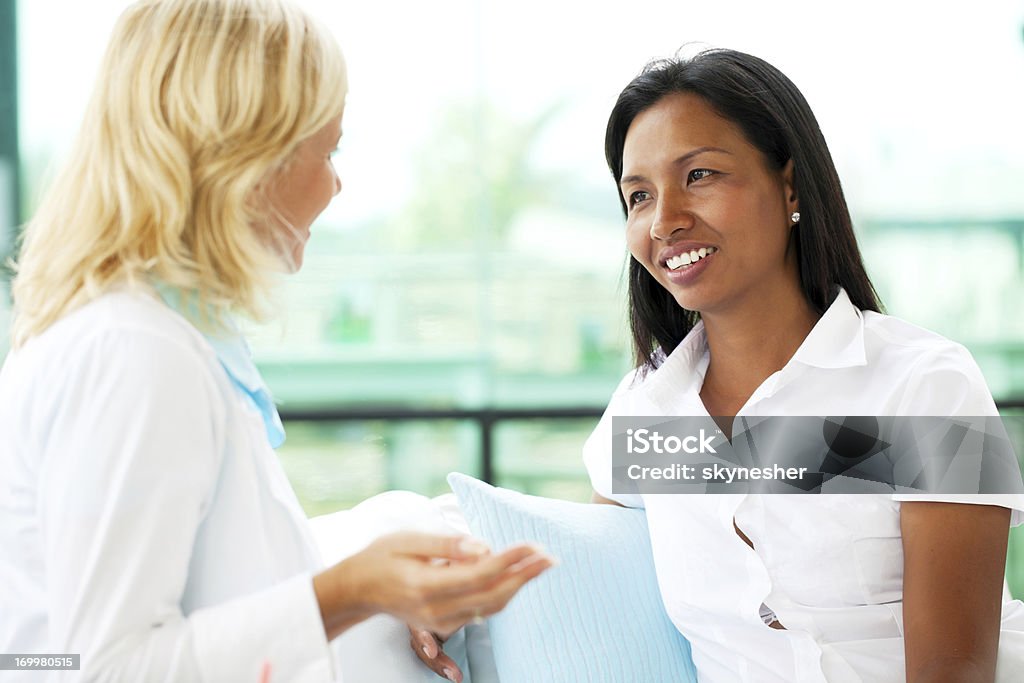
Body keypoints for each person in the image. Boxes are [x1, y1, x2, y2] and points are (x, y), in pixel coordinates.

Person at [0, 1, 552, 681]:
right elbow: (105, 666)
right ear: (249, 159)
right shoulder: (135, 354)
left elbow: (188, 590)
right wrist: (353, 590)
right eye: (330, 150)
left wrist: (380, 565)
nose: (337, 181)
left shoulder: (152, 339)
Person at [585, 48, 1024, 682]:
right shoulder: (649, 411)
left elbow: (954, 671)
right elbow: (577, 573)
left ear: (789, 184)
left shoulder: (927, 385)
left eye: (700, 175)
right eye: (639, 196)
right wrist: (447, 614)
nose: (666, 220)